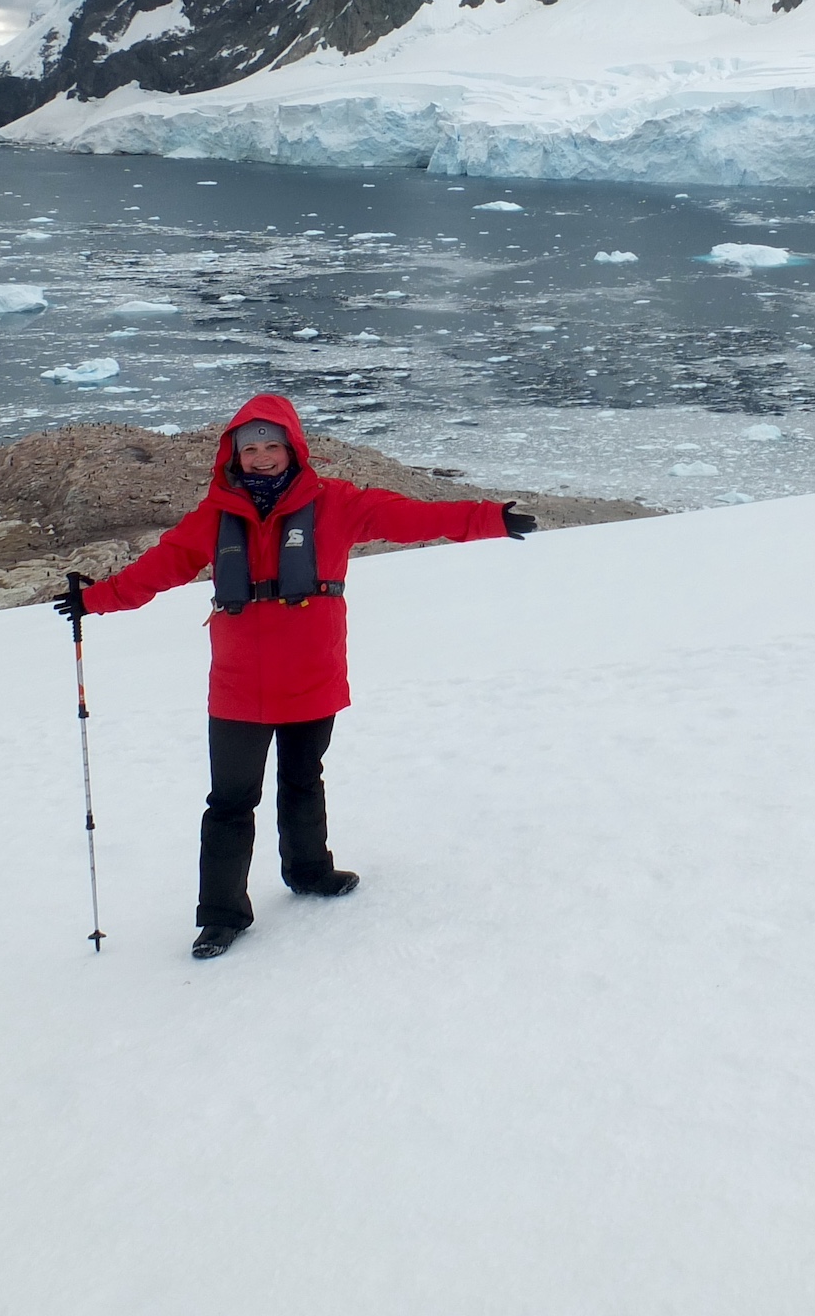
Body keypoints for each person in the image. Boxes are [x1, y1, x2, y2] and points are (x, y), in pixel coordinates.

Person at [56, 393, 536, 960]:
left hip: (312, 673)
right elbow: (162, 566)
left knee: (304, 778)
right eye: (249, 448)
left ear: (292, 448)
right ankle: (222, 915)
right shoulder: (216, 514)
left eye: (270, 446)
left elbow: (412, 517)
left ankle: (309, 871)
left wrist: (491, 519)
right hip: (239, 685)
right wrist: (97, 600)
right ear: (234, 455)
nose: (260, 457)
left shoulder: (336, 502)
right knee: (231, 800)